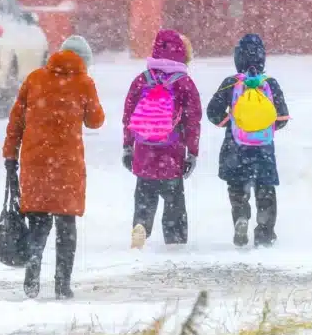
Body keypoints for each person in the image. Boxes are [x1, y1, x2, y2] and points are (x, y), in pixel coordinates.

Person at [3, 35, 105, 300]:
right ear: (84, 61)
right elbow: (96, 121)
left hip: (35, 163)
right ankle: (62, 285)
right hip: (67, 166)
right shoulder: (84, 83)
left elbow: (16, 122)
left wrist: (10, 156)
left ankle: (33, 273)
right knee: (66, 224)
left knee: (38, 222)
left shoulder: (35, 79)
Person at [206, 34, 290, 248]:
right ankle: (265, 231)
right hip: (263, 149)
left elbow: (212, 112)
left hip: (235, 148)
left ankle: (241, 217)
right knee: (266, 191)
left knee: (237, 189)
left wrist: (233, 123)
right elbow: (281, 117)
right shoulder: (270, 83)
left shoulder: (230, 83)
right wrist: (263, 126)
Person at [122, 29, 202, 249]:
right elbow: (193, 121)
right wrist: (192, 152)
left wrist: (127, 146)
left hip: (144, 149)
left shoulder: (142, 80)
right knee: (173, 197)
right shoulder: (184, 83)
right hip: (172, 150)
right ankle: (175, 238)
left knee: (144, 193)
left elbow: (128, 115)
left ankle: (140, 225)